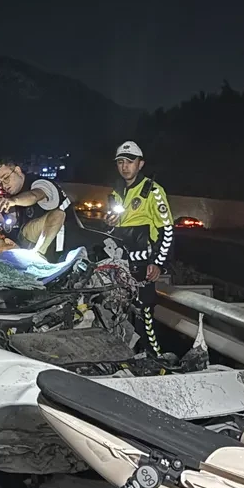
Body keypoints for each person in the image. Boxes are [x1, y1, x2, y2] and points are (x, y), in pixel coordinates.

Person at [105, 140, 174, 354]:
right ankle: (126, 358)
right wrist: (108, 224)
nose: (125, 166)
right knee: (120, 315)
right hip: (120, 265)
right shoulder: (115, 192)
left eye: (130, 161)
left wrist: (159, 263)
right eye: (121, 162)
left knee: (145, 318)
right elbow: (113, 231)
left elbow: (167, 230)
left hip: (144, 266)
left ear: (140, 164)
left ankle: (154, 360)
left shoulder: (153, 191)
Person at [0, 159, 71, 256]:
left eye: (6, 178)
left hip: (63, 249)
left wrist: (14, 201)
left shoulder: (40, 183)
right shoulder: (14, 196)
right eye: (0, 183)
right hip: (35, 245)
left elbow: (34, 195)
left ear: (17, 170)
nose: (4, 185)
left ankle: (38, 255)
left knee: (57, 215)